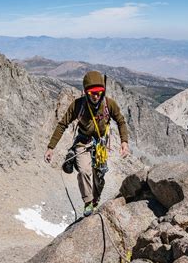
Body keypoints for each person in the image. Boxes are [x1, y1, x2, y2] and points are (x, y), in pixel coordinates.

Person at [44, 71, 129, 216]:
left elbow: (120, 121)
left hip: (100, 146)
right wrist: (50, 147)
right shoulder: (78, 105)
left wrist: (124, 142)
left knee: (99, 177)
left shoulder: (109, 104)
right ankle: (88, 202)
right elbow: (62, 125)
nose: (96, 96)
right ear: (86, 92)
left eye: (99, 92)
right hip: (83, 143)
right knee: (84, 171)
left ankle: (96, 201)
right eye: (92, 93)